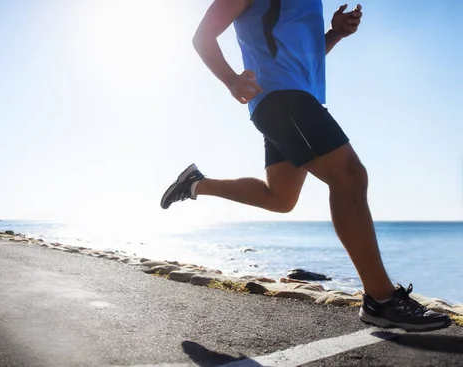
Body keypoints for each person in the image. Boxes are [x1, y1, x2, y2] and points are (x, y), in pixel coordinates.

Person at [160, 0, 452, 332]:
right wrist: (230, 80)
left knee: (280, 198)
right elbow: (203, 37)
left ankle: (197, 183)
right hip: (281, 98)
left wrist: (335, 34)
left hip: (295, 97)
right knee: (350, 177)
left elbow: (303, 59)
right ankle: (381, 300)